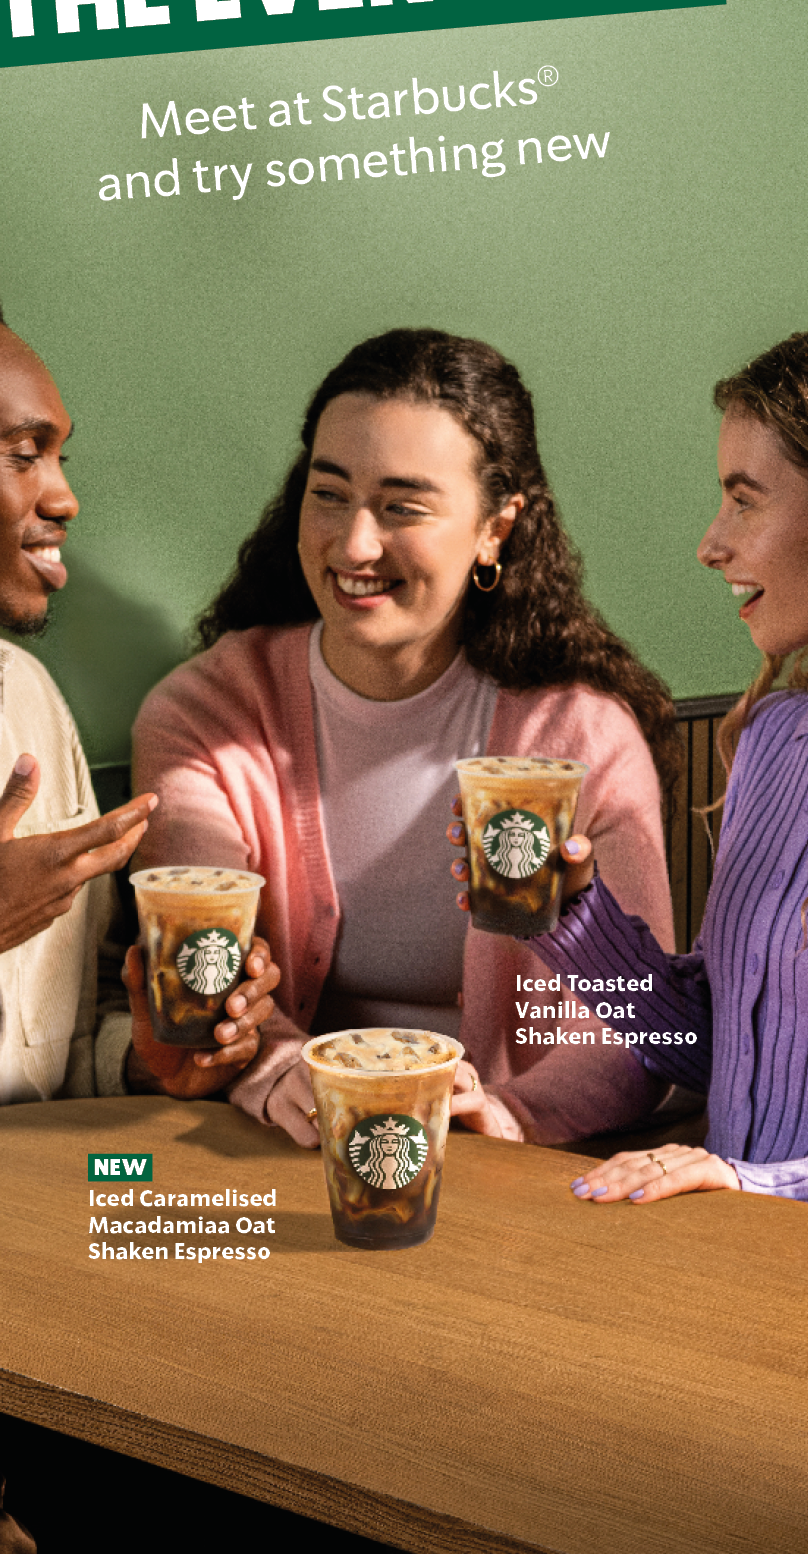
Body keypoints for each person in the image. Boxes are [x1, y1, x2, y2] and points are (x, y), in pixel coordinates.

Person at [0, 267, 279, 1550]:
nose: (64, 496)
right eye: (26, 453)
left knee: (257, 1414)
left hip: (17, 1257)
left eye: (59, 455)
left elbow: (59, 1066)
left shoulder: (20, 703)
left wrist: (164, 1057)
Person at [133, 327, 681, 1147]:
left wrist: (506, 1114)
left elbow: (637, 1033)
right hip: (283, 1146)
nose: (355, 544)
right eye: (329, 494)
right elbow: (208, 985)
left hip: (519, 1172)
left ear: (496, 529)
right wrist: (283, 1071)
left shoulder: (579, 738)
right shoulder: (210, 714)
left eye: (403, 507)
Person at [510, 312, 808, 1217]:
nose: (710, 542)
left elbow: (757, 1175)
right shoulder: (774, 743)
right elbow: (719, 1042)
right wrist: (574, 921)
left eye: (745, 499)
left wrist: (759, 1184)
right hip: (737, 1275)